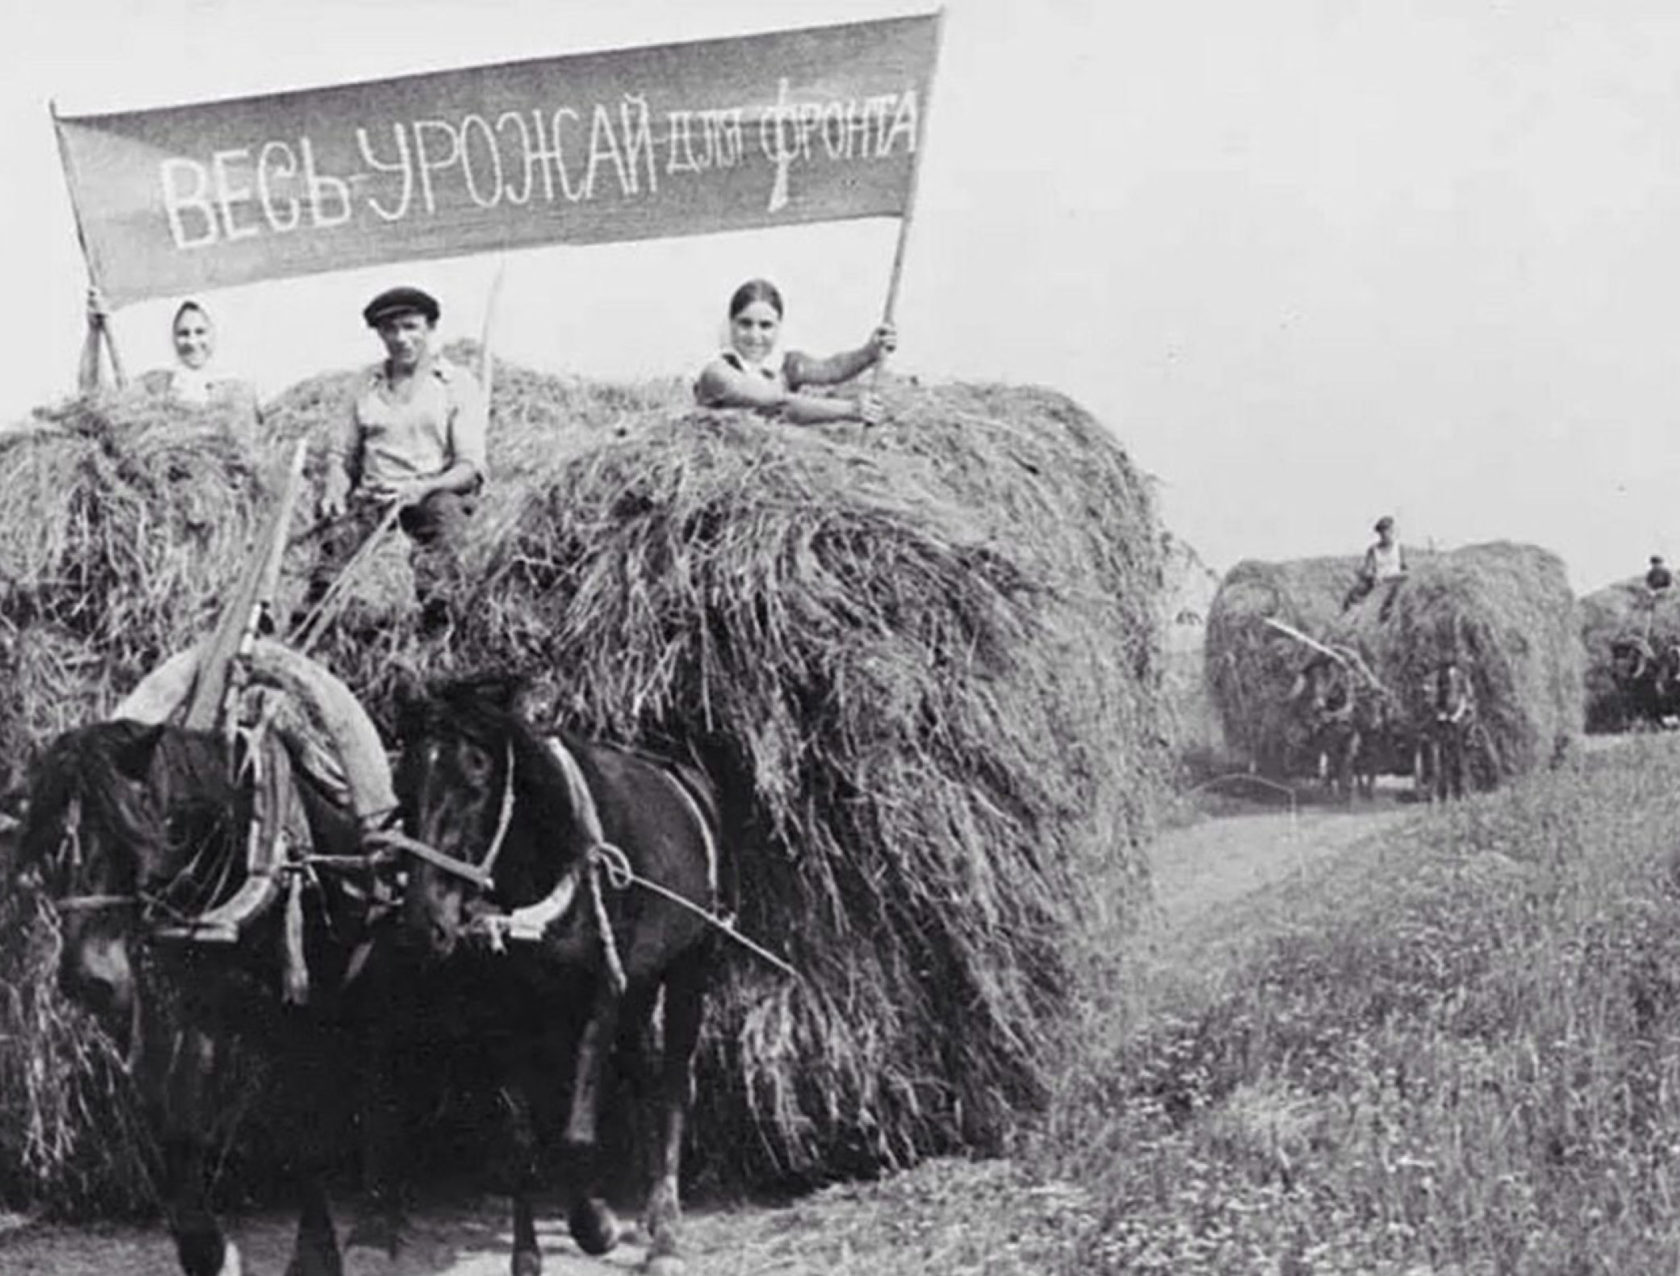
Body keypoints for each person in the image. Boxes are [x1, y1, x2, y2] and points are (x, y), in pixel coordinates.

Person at [307, 286, 487, 632]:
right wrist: (334, 488)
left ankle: (440, 632)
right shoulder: (364, 384)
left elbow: (469, 466)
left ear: (430, 328)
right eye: (390, 329)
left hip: (431, 497)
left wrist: (424, 488)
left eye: (410, 327)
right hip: (374, 500)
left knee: (441, 550)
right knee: (328, 570)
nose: (401, 338)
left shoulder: (456, 383)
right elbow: (341, 455)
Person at [693, 279, 897, 425]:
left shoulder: (785, 366)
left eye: (765, 326)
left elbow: (832, 369)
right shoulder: (717, 373)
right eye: (745, 324)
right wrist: (850, 410)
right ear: (731, 324)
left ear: (778, 326)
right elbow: (780, 403)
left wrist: (871, 350)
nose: (755, 336)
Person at [79, 289, 261, 440]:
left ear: (214, 332)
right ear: (172, 337)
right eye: (183, 333)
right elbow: (94, 396)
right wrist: (94, 332)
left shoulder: (240, 391)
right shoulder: (157, 385)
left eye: (200, 331)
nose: (192, 342)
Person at [1343, 515, 1408, 610]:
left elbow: (1405, 568)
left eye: (1389, 531)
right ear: (1379, 534)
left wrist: (1403, 575)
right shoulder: (1373, 550)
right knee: (1355, 593)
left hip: (1395, 579)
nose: (1386, 534)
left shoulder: (1399, 548)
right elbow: (1368, 569)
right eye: (1383, 532)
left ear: (1392, 531)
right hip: (1379, 581)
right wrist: (1373, 576)